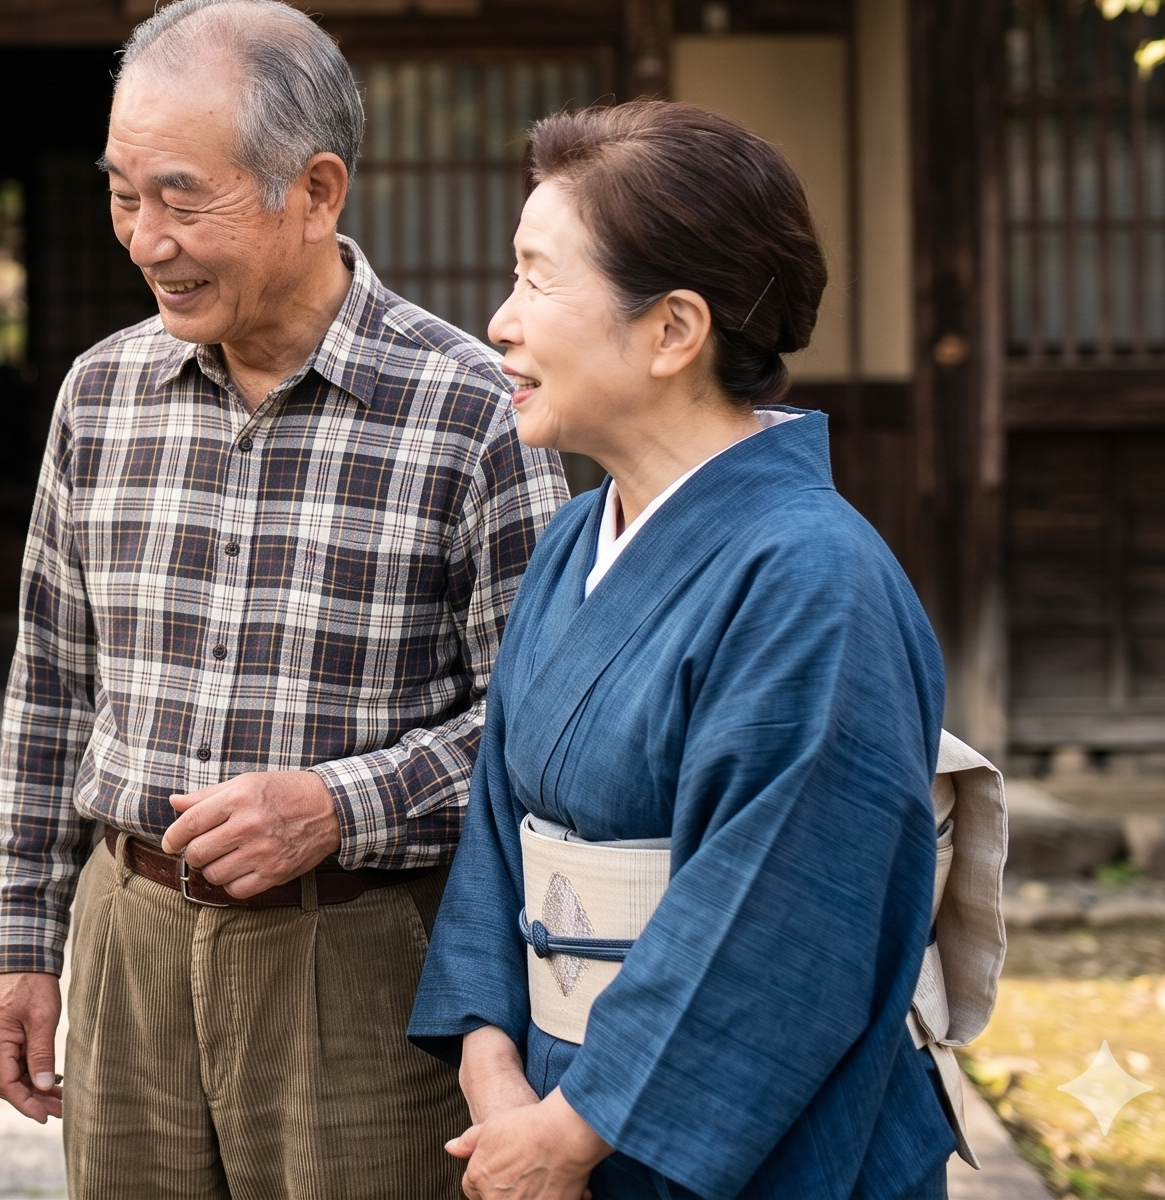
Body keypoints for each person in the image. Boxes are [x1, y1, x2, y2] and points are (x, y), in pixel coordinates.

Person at [0, 0, 570, 1200]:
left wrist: (336, 806)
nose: (143, 240)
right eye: (121, 195)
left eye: (180, 198)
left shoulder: (469, 410)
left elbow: (540, 729)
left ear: (314, 192)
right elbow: (49, 690)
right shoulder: (99, 394)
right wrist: (23, 945)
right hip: (128, 940)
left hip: (359, 954)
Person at [406, 99, 962, 1200]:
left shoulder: (812, 578)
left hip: (734, 1137)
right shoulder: (575, 537)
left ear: (672, 331)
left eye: (537, 281)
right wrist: (489, 1059)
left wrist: (574, 1133)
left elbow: (778, 921)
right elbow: (498, 838)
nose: (500, 322)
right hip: (550, 1095)